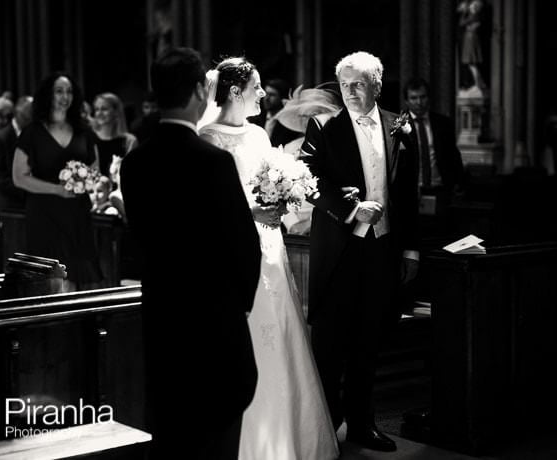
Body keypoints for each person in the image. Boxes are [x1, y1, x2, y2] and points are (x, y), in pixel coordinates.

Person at [120, 47, 261, 460]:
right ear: (201, 90)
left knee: (171, 439)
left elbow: (143, 239)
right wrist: (241, 307)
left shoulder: (135, 163)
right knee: (216, 443)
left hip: (162, 325)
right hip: (213, 329)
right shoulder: (212, 161)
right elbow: (243, 245)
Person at [199, 56, 339, 460]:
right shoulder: (208, 138)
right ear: (235, 92)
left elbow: (266, 185)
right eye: (256, 87)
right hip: (237, 251)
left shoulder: (260, 135)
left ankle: (293, 436)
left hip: (271, 246)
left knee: (282, 328)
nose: (262, 94)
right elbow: (213, 207)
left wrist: (286, 195)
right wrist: (254, 212)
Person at [301, 51, 420, 452]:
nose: (351, 91)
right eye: (346, 84)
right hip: (340, 249)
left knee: (370, 340)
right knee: (331, 344)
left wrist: (411, 251)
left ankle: (362, 423)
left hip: (384, 249)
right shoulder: (322, 126)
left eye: (360, 83)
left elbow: (408, 194)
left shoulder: (400, 125)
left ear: (377, 85)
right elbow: (309, 181)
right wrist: (350, 208)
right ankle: (327, 424)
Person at [12, 71, 103, 291]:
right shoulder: (32, 132)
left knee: (76, 279)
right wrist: (57, 189)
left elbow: (95, 168)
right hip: (45, 214)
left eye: (69, 91)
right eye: (59, 91)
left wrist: (84, 182)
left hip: (76, 212)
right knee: (52, 281)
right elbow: (19, 177)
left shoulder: (84, 131)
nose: (65, 96)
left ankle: (76, 324)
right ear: (48, 95)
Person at [275, 85, 342, 235]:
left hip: (330, 224)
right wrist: (292, 224)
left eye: (315, 115)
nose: (309, 121)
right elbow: (279, 191)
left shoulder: (339, 150)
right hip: (294, 229)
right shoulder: (290, 148)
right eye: (305, 116)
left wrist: (311, 223)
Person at [403, 77, 465, 213]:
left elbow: (454, 157)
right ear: (407, 101)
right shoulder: (396, 126)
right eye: (414, 98)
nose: (419, 102)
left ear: (429, 98)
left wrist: (459, 184)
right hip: (411, 193)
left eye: (423, 97)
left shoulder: (443, 124)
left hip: (440, 190)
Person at [0, 95, 33, 213]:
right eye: (28, 118)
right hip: (11, 206)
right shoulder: (1, 138)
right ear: (18, 115)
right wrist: (26, 189)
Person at [92, 93, 138, 178]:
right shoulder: (90, 138)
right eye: (97, 109)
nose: (99, 113)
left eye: (104, 109)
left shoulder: (129, 141)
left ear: (116, 112)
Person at [458, 0, 486, 90]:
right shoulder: (474, 16)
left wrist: (464, 12)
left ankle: (478, 84)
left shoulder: (473, 16)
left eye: (472, 5)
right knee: (472, 63)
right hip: (471, 37)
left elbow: (461, 23)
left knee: (472, 63)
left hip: (470, 38)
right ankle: (480, 84)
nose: (470, 6)